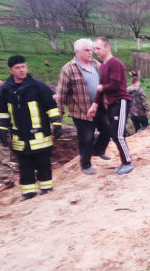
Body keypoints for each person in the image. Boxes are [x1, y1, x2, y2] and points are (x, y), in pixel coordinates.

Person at [0, 55, 62, 201]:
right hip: (19, 137)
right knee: (25, 166)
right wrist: (1, 129)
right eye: (17, 68)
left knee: (43, 163)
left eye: (23, 66)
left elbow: (51, 106)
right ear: (10, 70)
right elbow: (2, 113)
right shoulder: (5, 90)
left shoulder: (38, 86)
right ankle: (28, 192)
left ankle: (46, 188)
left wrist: (56, 123)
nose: (21, 70)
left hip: (40, 135)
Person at [55, 38, 111, 175]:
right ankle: (85, 164)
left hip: (100, 106)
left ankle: (98, 150)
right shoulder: (68, 69)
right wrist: (58, 117)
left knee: (108, 129)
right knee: (86, 138)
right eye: (87, 50)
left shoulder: (96, 64)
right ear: (77, 51)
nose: (90, 52)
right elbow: (60, 93)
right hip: (81, 111)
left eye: (91, 50)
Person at [88, 36, 134, 175]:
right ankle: (124, 162)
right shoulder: (102, 67)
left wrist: (102, 88)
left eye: (98, 48)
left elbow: (115, 84)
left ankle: (127, 163)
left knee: (118, 134)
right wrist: (95, 104)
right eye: (94, 49)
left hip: (121, 101)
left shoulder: (115, 63)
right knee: (114, 134)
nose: (96, 51)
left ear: (107, 47)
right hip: (112, 103)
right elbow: (101, 88)